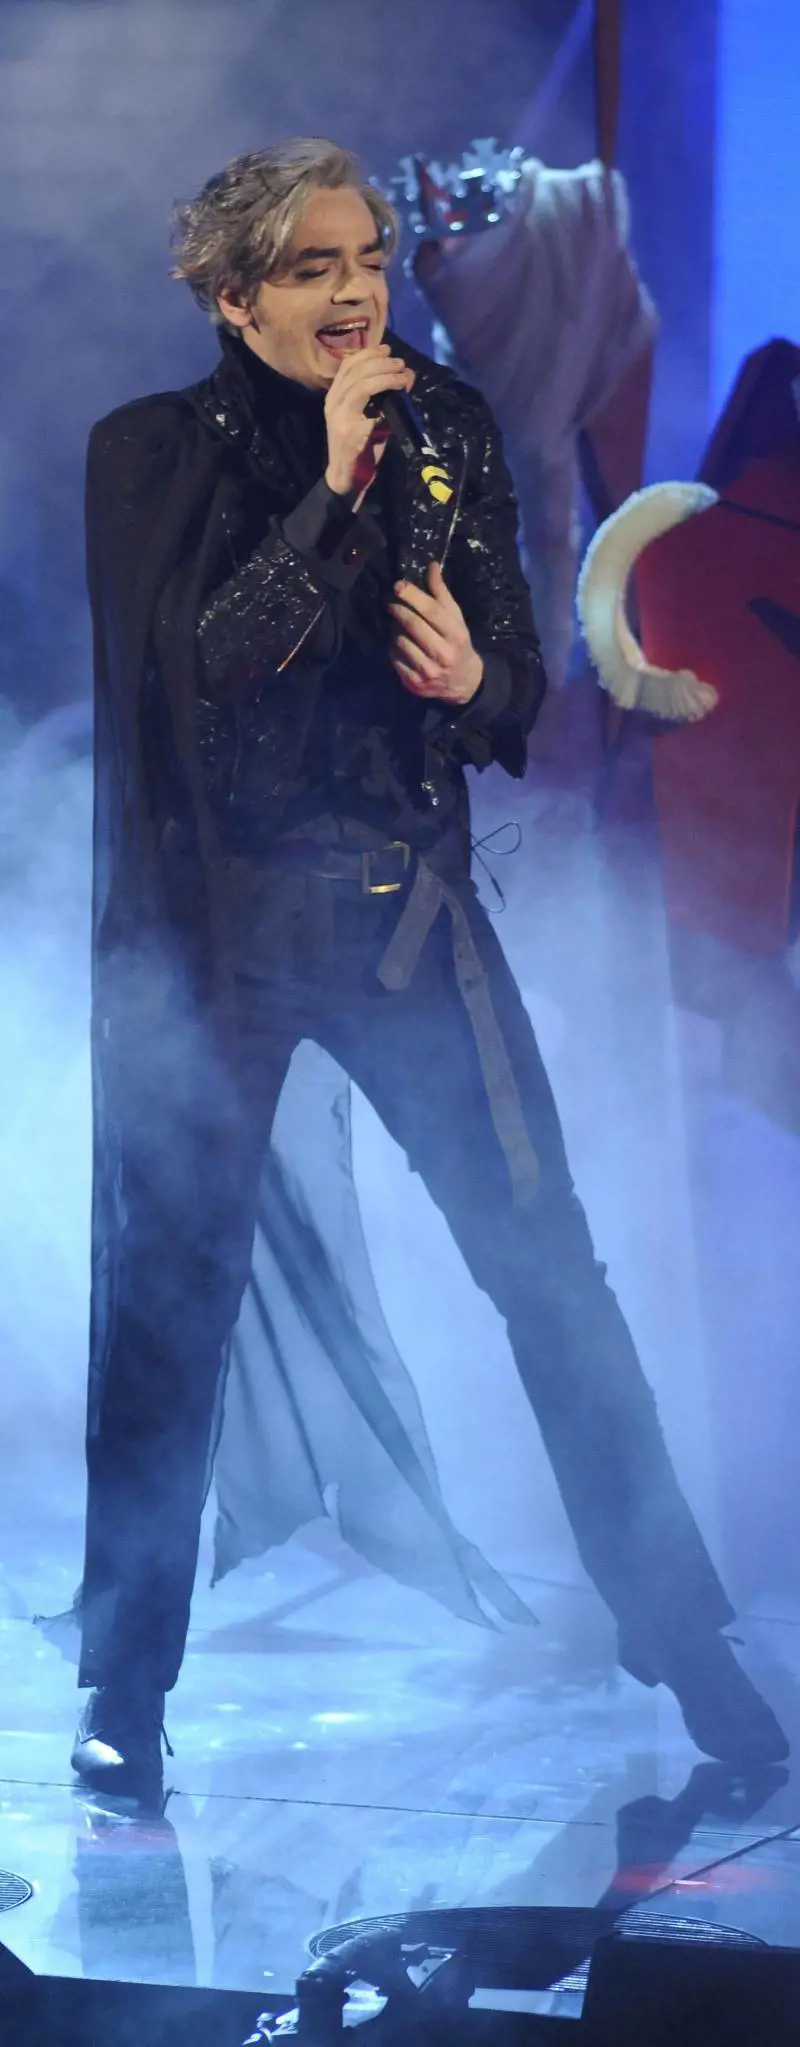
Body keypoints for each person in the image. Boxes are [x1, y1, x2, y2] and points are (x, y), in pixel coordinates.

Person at [72, 138, 787, 1803]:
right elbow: (204, 673)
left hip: (407, 926)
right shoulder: (147, 455)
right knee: (171, 1306)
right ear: (233, 297)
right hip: (218, 945)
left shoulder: (449, 430)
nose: (358, 291)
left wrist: (477, 680)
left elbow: (518, 695)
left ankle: (680, 1629)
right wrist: (331, 483)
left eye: (371, 257)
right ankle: (124, 1682)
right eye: (314, 266)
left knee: (551, 1274)